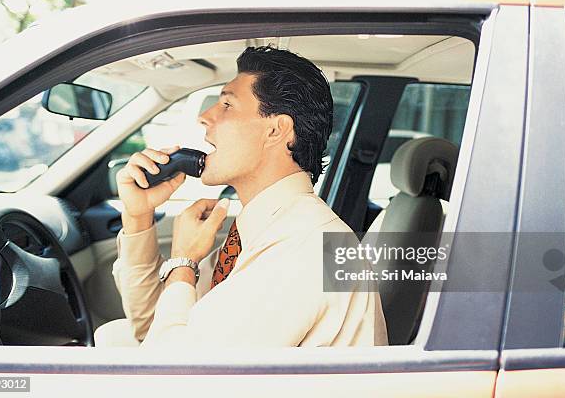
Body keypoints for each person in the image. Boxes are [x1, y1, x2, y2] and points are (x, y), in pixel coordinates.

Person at [95, 46, 387, 347]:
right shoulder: (262, 229)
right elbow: (153, 328)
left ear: (276, 130)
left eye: (226, 105)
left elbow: (174, 371)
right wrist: (138, 217)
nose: (204, 117)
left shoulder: (302, 249)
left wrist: (184, 262)